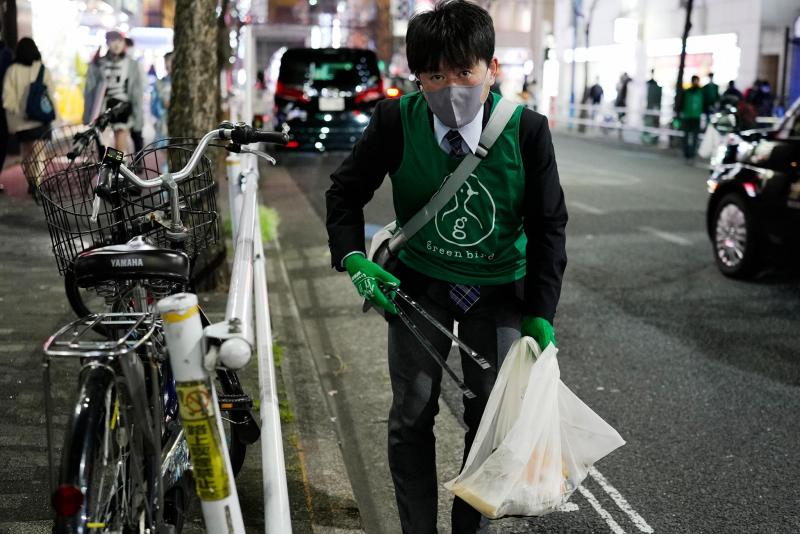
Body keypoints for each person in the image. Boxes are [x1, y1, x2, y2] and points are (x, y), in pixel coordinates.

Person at [325, 1, 568, 532]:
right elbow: (345, 192)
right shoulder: (395, 120)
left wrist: (540, 312)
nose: (450, 86)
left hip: (500, 288)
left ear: (491, 70)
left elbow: (550, 226)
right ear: (417, 79)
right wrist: (354, 258)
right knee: (411, 414)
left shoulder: (527, 131)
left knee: (489, 422)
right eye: (434, 75)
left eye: (464, 71)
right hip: (418, 285)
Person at [3, 37, 55, 193]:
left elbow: (7, 99)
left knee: (26, 152)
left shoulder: (12, 70)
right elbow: (50, 94)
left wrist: (19, 112)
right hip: (40, 120)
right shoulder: (42, 69)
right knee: (39, 152)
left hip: (21, 121)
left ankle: (32, 183)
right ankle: (37, 182)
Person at [83, 30, 143, 153]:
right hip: (102, 109)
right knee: (104, 146)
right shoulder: (98, 64)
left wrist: (138, 117)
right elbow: (89, 91)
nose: (116, 44)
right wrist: (87, 114)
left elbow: (137, 92)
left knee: (120, 146)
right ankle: (111, 169)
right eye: (113, 41)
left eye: (120, 41)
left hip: (122, 108)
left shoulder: (132, 64)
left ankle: (118, 169)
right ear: (107, 42)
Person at [680, 75, 703, 161]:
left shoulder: (701, 92)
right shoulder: (687, 92)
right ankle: (686, 153)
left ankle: (692, 154)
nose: (696, 82)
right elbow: (682, 103)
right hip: (687, 116)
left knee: (695, 137)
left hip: (696, 117)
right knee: (686, 136)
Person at [151, 51, 172, 142]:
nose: (168, 64)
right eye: (166, 61)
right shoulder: (160, 83)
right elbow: (154, 107)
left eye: (171, 61)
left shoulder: (183, 83)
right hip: (164, 124)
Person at [642, 70, 662, 145]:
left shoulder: (650, 86)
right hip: (651, 109)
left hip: (651, 109)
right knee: (649, 125)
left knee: (650, 125)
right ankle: (648, 139)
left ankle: (649, 139)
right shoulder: (649, 85)